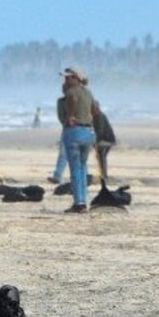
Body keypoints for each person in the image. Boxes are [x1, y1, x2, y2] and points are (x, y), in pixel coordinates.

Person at [61, 67, 97, 213]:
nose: (65, 80)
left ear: (76, 78)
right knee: (83, 167)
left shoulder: (71, 92)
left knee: (75, 168)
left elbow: (73, 100)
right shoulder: (88, 92)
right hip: (88, 132)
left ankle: (79, 203)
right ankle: (83, 201)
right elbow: (96, 109)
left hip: (75, 132)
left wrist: (71, 116)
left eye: (68, 78)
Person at [48, 81, 69, 184]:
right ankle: (58, 175)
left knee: (69, 154)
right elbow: (61, 117)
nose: (64, 90)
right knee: (63, 153)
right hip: (67, 128)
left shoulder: (78, 97)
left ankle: (58, 175)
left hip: (77, 129)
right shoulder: (61, 101)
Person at [92, 102, 116, 181]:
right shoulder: (95, 117)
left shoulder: (100, 117)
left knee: (101, 155)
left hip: (107, 140)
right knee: (100, 156)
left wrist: (94, 141)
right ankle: (103, 174)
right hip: (102, 139)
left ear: (97, 108)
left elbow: (100, 132)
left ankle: (104, 175)